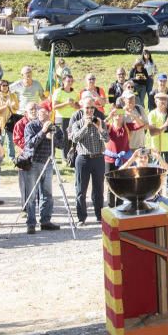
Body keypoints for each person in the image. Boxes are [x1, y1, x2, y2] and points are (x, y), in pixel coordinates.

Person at [21, 105, 63, 234]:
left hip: (48, 162)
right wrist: (43, 131)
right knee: (32, 194)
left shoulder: (55, 127)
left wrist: (53, 138)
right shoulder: (31, 126)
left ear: (50, 113)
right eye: (40, 111)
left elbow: (62, 145)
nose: (42, 113)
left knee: (47, 194)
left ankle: (45, 221)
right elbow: (29, 144)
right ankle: (31, 223)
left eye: (45, 111)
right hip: (33, 163)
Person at [68, 96, 109, 225]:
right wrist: (86, 126)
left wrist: (100, 128)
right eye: (87, 107)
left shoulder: (100, 121)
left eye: (92, 107)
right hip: (83, 159)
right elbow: (74, 138)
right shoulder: (77, 123)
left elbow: (107, 139)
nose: (90, 110)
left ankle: (99, 215)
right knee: (81, 189)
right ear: (82, 108)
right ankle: (81, 217)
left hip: (98, 158)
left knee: (99, 189)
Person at [103, 108, 132, 208]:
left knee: (122, 184)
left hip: (123, 160)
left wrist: (131, 114)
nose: (118, 116)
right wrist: (109, 116)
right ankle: (111, 207)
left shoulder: (126, 127)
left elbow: (142, 125)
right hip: (109, 160)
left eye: (120, 114)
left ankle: (120, 207)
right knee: (110, 185)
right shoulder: (108, 126)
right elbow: (98, 125)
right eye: (115, 114)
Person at [51, 74, 79, 164]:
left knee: (72, 137)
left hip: (73, 118)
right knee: (64, 138)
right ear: (63, 81)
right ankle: (64, 158)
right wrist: (66, 103)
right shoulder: (58, 91)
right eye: (68, 81)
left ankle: (71, 157)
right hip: (61, 118)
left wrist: (73, 105)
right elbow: (54, 106)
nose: (70, 83)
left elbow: (78, 106)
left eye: (71, 81)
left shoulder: (75, 92)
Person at [0, 80, 19, 160]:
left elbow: (17, 107)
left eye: (6, 85)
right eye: (3, 85)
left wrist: (11, 106)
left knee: (11, 141)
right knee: (0, 140)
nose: (5, 87)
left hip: (11, 121)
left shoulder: (13, 95)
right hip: (0, 122)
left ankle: (12, 157)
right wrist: (6, 106)